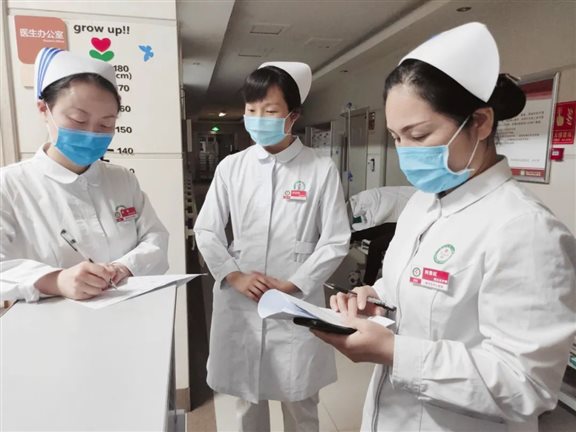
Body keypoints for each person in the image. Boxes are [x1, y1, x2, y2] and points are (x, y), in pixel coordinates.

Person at [313, 22, 576, 432]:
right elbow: (409, 290)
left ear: (480, 122)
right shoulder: (422, 204)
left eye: (418, 135)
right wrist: (375, 299)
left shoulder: (526, 229)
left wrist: (395, 353)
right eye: (396, 137)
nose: (405, 153)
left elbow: (526, 386)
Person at [194, 61, 350, 431]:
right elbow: (207, 230)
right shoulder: (232, 167)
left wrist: (295, 283)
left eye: (270, 110)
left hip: (295, 299)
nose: (258, 118)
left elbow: (335, 239)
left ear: (293, 116)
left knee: (299, 401)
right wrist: (233, 276)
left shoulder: (320, 168)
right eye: (251, 110)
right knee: (247, 399)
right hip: (242, 297)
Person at [0, 48, 169, 303]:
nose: (92, 133)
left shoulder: (122, 179)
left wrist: (124, 267)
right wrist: (55, 281)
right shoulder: (9, 185)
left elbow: (156, 238)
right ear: (44, 109)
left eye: (106, 124)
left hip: (131, 312)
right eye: (78, 120)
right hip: (50, 324)